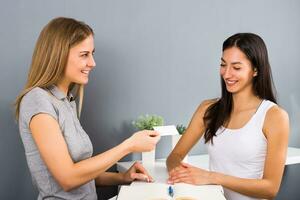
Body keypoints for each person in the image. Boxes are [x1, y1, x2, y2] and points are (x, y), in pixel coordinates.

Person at [15, 17, 160, 200]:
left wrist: (122, 177)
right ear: (58, 55)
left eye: (92, 53)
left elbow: (82, 174)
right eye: (84, 55)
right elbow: (68, 178)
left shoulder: (66, 101)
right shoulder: (37, 101)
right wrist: (128, 146)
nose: (92, 63)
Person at [166, 33, 289, 200]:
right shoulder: (208, 109)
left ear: (255, 70)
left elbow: (270, 188)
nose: (227, 74)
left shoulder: (274, 116)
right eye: (223, 65)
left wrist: (211, 177)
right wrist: (178, 173)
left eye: (236, 67)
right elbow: (175, 156)